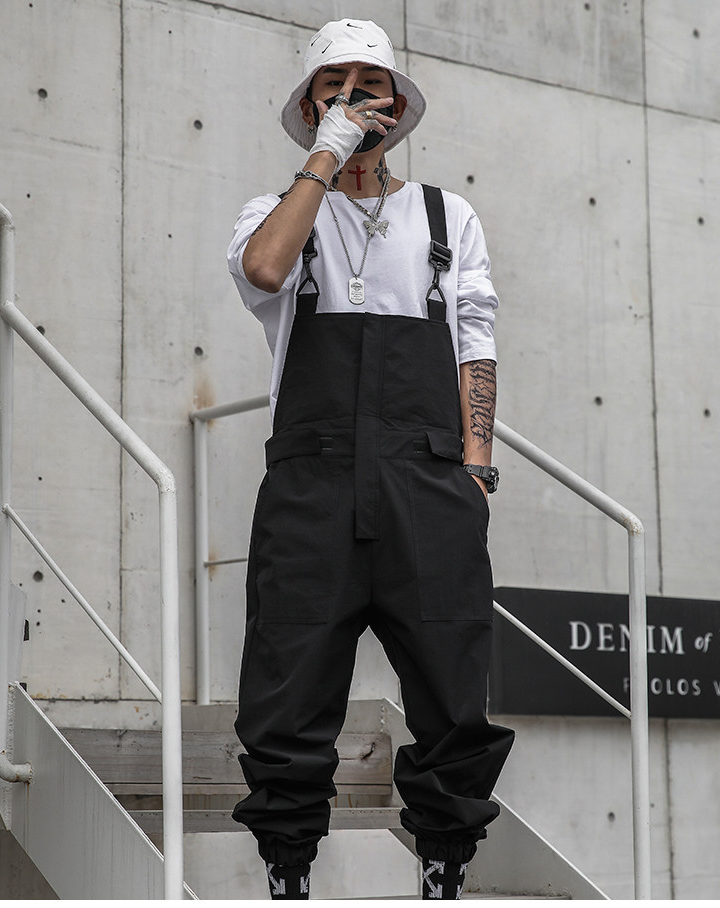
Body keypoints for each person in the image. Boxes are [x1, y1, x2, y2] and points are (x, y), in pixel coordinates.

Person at [226, 18, 515, 900]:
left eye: (370, 83)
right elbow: (265, 272)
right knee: (288, 686)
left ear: (399, 103)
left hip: (429, 479)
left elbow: (475, 343)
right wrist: (327, 154)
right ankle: (288, 872)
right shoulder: (274, 213)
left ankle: (444, 864)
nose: (355, 96)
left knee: (454, 684)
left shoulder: (446, 216)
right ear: (309, 104)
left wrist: (475, 468)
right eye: (335, 84)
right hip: (310, 482)